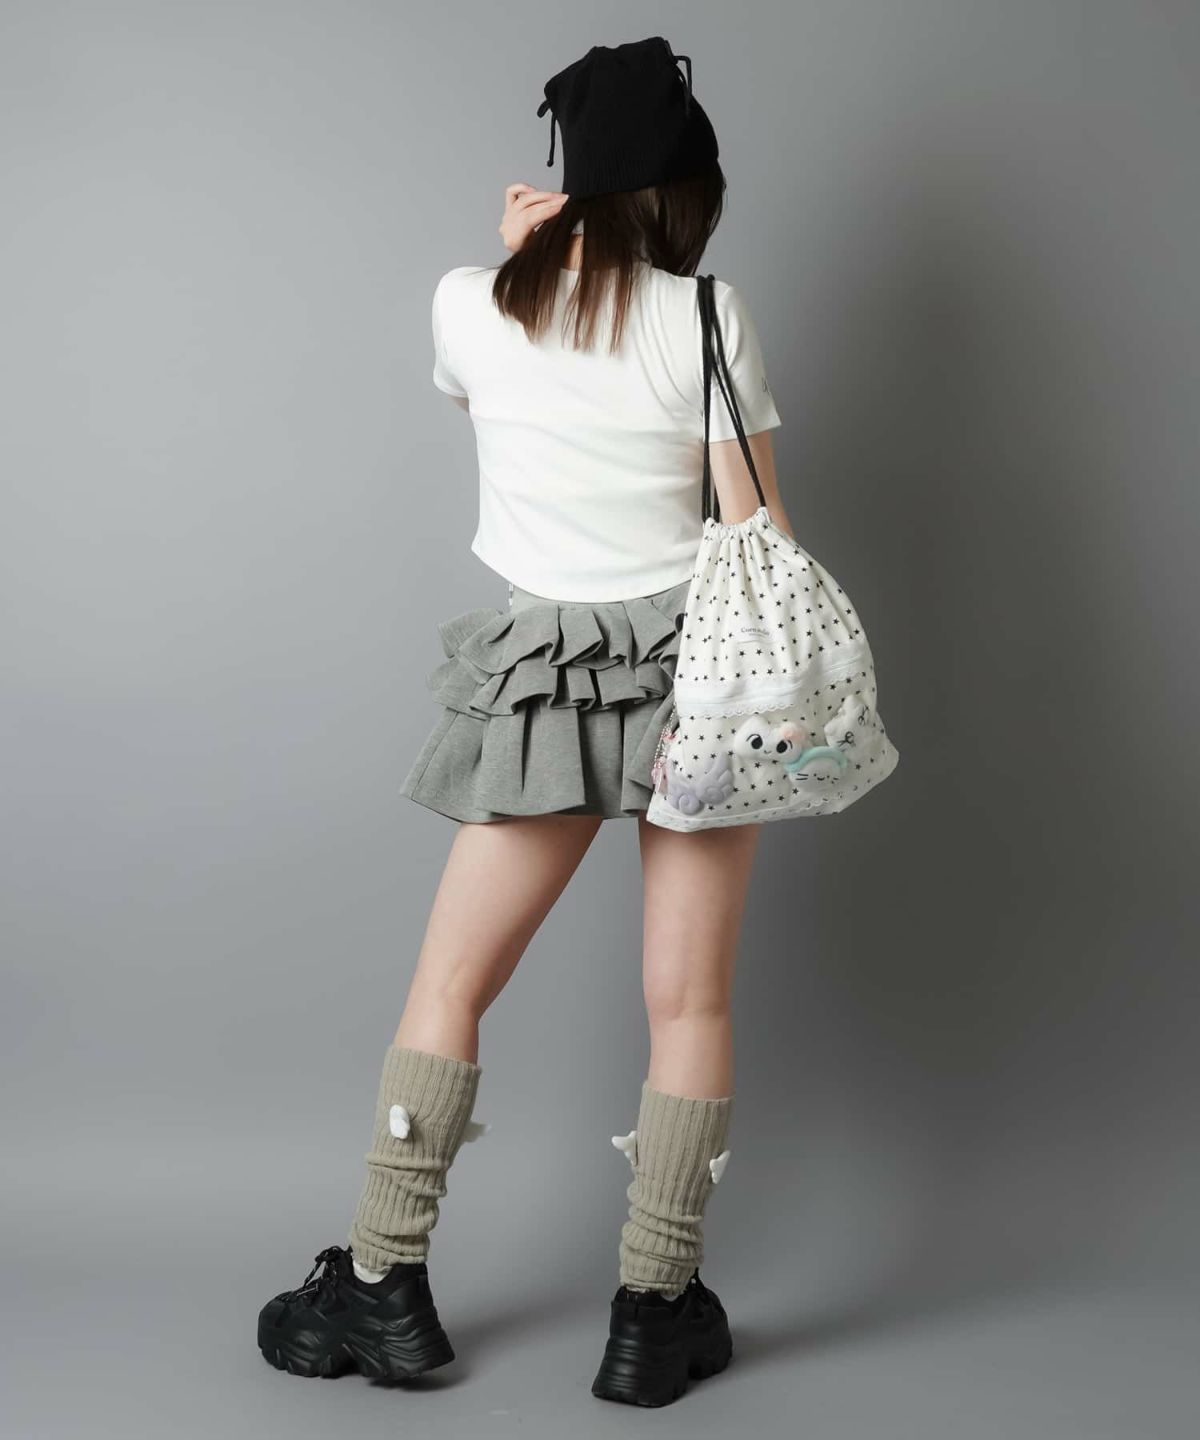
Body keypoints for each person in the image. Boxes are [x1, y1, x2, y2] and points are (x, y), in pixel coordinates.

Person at [256, 35, 792, 1409]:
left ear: (568, 182)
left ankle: (382, 1284)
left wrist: (524, 253)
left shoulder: (469, 304)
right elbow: (759, 532)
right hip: (698, 678)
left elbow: (488, 397)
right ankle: (654, 1314)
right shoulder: (710, 315)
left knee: (450, 987)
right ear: (683, 194)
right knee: (691, 1000)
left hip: (548, 675)